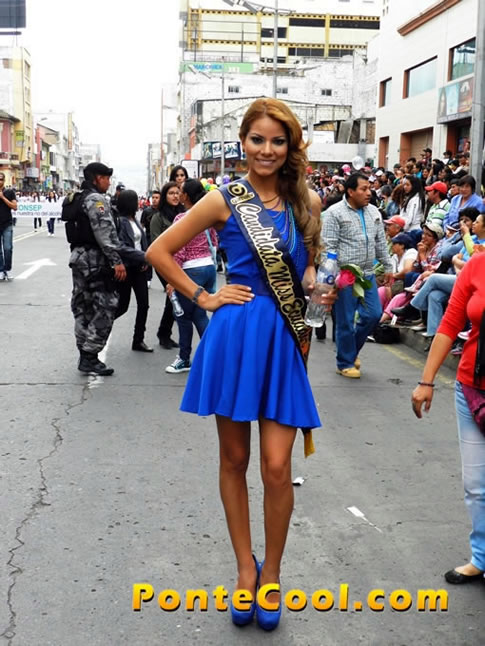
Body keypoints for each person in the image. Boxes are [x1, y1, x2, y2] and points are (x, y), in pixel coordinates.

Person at [146, 97, 336, 631]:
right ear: (243, 143)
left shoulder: (307, 201)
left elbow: (307, 270)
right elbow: (159, 251)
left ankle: (271, 572)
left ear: (290, 146)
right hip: (236, 333)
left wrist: (317, 287)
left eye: (277, 140)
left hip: (282, 338)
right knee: (234, 459)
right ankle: (244, 570)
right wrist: (204, 297)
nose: (267, 150)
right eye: (257, 139)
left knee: (276, 467)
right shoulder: (222, 199)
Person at [412, 251, 485, 584]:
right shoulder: (476, 266)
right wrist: (426, 381)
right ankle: (481, 557)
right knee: (476, 486)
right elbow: (450, 323)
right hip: (471, 389)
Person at [322, 172, 393, 378]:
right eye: (363, 189)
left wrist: (388, 266)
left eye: (369, 188)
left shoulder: (374, 212)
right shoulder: (334, 213)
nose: (369, 193)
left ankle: (350, 351)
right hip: (345, 275)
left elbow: (380, 242)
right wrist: (331, 277)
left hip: (367, 273)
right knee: (345, 320)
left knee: (373, 314)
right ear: (351, 191)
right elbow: (328, 246)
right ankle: (344, 362)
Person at [69, 162, 126, 375]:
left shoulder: (77, 197)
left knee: (82, 307)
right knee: (107, 305)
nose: (108, 182)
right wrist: (116, 260)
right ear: (97, 178)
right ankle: (90, 355)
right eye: (106, 178)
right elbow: (104, 233)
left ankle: (85, 354)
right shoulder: (96, 200)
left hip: (78, 258)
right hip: (95, 261)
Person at [165, 178, 218, 374]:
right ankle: (213, 356)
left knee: (183, 316)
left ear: (186, 196)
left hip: (191, 270)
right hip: (208, 268)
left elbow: (179, 250)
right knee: (199, 314)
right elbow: (215, 241)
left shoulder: (182, 218)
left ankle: (184, 358)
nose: (178, 194)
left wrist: (172, 279)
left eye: (180, 191)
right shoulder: (208, 215)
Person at [114, 189, 153, 353]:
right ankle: (99, 328)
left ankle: (138, 340)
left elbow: (142, 242)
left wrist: (145, 260)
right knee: (122, 306)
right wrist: (143, 256)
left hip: (139, 268)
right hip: (126, 268)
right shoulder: (120, 222)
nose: (138, 203)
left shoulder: (135, 220)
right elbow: (120, 247)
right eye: (135, 200)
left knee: (144, 304)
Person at [150, 182, 181, 349]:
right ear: (164, 196)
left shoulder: (184, 214)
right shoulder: (158, 217)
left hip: (182, 262)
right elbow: (156, 244)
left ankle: (165, 333)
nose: (175, 196)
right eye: (171, 193)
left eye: (177, 193)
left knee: (175, 297)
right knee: (173, 296)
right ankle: (163, 334)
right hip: (164, 262)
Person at [0, 173, 17, 280]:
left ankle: (7, 269)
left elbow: (15, 206)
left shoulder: (9, 192)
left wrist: (3, 198)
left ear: (4, 180)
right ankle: (1, 270)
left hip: (7, 224)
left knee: (8, 248)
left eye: (1, 179)